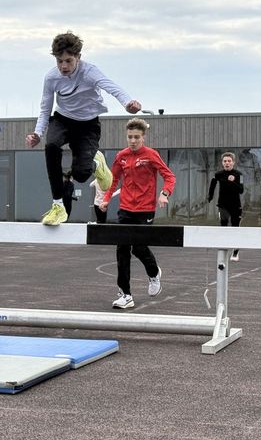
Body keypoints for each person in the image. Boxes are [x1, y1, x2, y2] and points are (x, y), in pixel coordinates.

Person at [26, 31, 142, 226]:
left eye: (68, 61)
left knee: (80, 175)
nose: (63, 66)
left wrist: (127, 102)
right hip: (63, 120)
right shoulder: (51, 78)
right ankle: (57, 205)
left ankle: (97, 164)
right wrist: (38, 133)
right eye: (59, 61)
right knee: (51, 146)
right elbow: (45, 108)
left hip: (88, 125)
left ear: (78, 57)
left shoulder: (90, 72)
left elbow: (111, 86)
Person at [98, 118, 175, 309]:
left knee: (139, 248)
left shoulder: (150, 155)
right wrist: (106, 198)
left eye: (137, 137)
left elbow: (169, 176)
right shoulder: (122, 156)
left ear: (143, 137)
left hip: (145, 209)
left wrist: (164, 194)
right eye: (130, 137)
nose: (133, 141)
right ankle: (125, 294)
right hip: (125, 208)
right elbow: (114, 178)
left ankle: (154, 272)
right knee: (122, 249)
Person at [207, 151, 245, 261]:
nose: (227, 163)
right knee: (223, 225)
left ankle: (235, 251)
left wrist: (233, 181)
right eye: (225, 161)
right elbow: (212, 184)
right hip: (222, 205)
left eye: (229, 161)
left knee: (235, 228)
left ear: (233, 163)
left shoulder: (239, 175)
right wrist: (210, 196)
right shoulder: (218, 174)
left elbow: (241, 190)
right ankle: (223, 249)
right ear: (222, 163)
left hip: (235, 206)